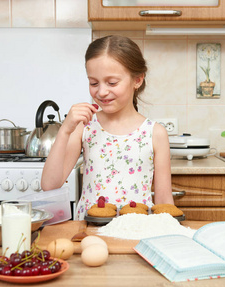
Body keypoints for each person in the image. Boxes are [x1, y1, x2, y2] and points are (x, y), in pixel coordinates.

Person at [41, 35, 174, 220]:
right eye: (93, 83)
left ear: (137, 80)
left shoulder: (155, 133)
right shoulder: (85, 126)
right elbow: (49, 185)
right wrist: (64, 130)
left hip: (137, 230)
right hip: (89, 231)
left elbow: (164, 200)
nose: (101, 92)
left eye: (112, 83)